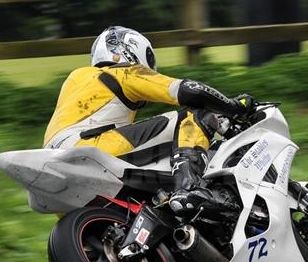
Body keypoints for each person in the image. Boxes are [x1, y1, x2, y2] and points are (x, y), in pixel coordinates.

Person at [43, 25, 255, 216]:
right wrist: (235, 106)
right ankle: (189, 187)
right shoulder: (123, 72)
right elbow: (190, 91)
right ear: (130, 50)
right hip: (89, 146)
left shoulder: (77, 79)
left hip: (52, 158)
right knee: (192, 116)